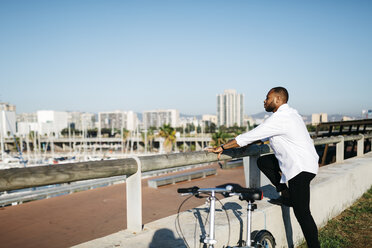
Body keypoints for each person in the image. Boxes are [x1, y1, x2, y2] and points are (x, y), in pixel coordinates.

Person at [207, 87, 320, 248]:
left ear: (278, 100)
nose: (264, 101)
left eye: (267, 98)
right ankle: (285, 193)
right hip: (304, 163)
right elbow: (261, 136)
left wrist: (223, 147)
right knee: (264, 162)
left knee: (303, 214)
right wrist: (249, 144)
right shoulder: (290, 115)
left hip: (300, 168)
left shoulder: (280, 118)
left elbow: (250, 135)